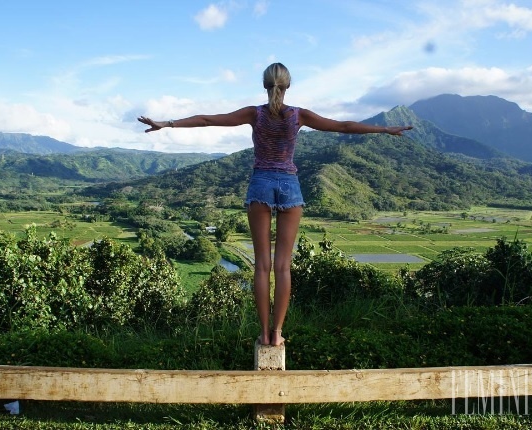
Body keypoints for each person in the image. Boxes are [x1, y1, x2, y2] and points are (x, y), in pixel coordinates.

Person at [138, 62, 412, 346]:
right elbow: (343, 126)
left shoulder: (254, 114)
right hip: (289, 186)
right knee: (283, 267)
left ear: (265, 85)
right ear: (288, 86)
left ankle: (264, 331)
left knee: (261, 267)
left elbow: (208, 120)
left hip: (260, 184)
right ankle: (278, 333)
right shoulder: (298, 115)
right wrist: (384, 129)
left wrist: (166, 123)